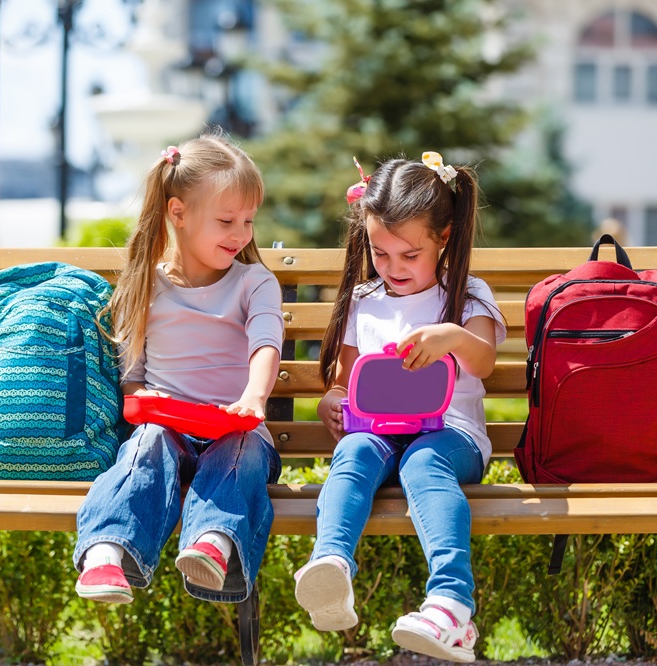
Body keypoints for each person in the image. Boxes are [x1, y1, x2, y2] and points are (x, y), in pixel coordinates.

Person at [294, 152, 506, 662]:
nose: (393, 268)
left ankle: (453, 605)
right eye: (380, 253)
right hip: (379, 430)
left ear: (444, 237)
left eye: (408, 255)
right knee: (351, 455)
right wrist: (333, 402)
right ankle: (332, 567)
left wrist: (451, 336)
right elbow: (346, 383)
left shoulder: (466, 296)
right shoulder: (365, 298)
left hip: (450, 437)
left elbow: (483, 364)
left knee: (423, 460)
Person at [73, 133, 284, 606]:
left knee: (242, 451)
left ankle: (213, 543)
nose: (241, 234)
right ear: (178, 212)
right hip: (168, 427)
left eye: (249, 221)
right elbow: (134, 372)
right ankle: (107, 551)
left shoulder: (255, 282)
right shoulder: (148, 283)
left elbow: (266, 342)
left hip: (236, 424)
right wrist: (142, 397)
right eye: (227, 220)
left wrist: (254, 396)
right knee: (144, 447)